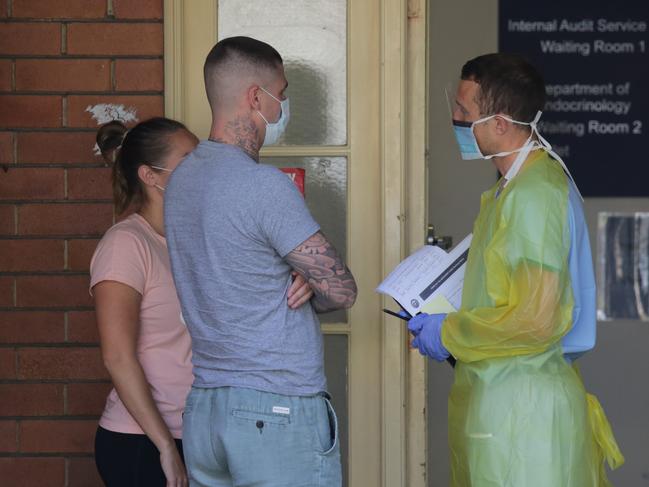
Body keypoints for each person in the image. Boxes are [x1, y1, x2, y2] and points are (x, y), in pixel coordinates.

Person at [408, 53, 623, 486]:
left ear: (501, 123)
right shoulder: (510, 190)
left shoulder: (534, 195)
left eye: (464, 112)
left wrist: (448, 331)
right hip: (506, 400)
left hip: (525, 415)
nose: (454, 118)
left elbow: (535, 319)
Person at [164, 36, 357, 487]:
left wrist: (299, 274)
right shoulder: (265, 187)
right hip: (276, 409)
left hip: (205, 409)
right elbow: (342, 290)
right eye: (282, 94)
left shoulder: (181, 183)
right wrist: (311, 280)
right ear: (256, 97)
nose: (282, 107)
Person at [91, 117, 316, 486]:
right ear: (150, 176)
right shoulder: (126, 245)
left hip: (205, 430)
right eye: (191, 159)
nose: (204, 168)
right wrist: (163, 445)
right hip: (143, 440)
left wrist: (297, 278)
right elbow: (117, 356)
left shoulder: (200, 236)